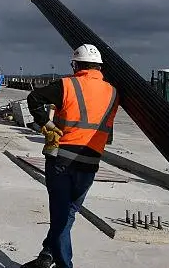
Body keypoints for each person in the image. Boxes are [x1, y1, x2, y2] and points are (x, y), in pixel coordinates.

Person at [22, 44, 119, 268]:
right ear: (100, 67)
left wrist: (46, 125)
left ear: (76, 65)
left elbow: (34, 99)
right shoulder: (113, 92)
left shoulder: (67, 84)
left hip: (62, 159)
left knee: (60, 217)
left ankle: (64, 264)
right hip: (91, 162)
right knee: (69, 212)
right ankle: (47, 255)